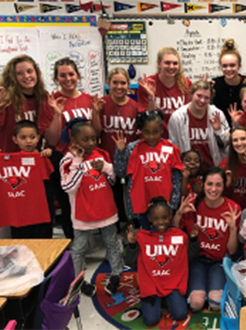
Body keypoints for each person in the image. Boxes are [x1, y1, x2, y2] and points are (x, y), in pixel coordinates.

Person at [60, 119, 123, 296]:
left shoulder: (101, 154)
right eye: (85, 139)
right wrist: (78, 163)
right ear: (74, 141)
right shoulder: (67, 160)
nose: (90, 143)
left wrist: (106, 167)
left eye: (93, 139)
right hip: (83, 215)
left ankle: (116, 274)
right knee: (78, 249)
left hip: (106, 211)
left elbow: (112, 180)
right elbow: (68, 187)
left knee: (112, 243)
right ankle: (78, 280)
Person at [173, 167, 241, 312]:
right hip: (197, 260)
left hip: (219, 261)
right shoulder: (192, 204)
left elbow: (232, 250)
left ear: (224, 186)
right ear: (203, 185)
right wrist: (179, 213)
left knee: (216, 303)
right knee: (196, 303)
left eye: (218, 185)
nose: (213, 189)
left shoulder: (233, 208)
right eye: (209, 184)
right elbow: (173, 235)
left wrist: (233, 228)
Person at [125, 196, 200, 326]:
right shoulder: (142, 237)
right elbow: (131, 263)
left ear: (170, 215)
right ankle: (159, 299)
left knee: (180, 314)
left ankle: (167, 298)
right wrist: (132, 246)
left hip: (173, 283)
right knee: (150, 320)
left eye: (164, 217)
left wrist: (193, 241)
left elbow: (188, 259)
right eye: (156, 218)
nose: (161, 222)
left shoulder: (179, 235)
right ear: (149, 219)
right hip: (151, 285)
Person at [47, 57, 94, 239]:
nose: (68, 79)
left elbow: (95, 131)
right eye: (62, 75)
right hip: (63, 158)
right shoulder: (52, 101)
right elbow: (52, 139)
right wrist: (57, 114)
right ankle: (72, 244)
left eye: (71, 74)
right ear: (56, 78)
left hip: (86, 157)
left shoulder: (88, 99)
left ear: (78, 75)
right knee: (67, 204)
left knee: (86, 200)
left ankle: (87, 242)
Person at [114, 111, 183, 229]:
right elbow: (121, 172)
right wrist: (121, 152)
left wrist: (173, 203)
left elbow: (177, 177)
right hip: (142, 201)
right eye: (147, 132)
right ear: (141, 131)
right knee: (146, 234)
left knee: (164, 234)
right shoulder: (133, 148)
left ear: (162, 130)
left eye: (155, 132)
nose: (151, 136)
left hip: (165, 201)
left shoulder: (171, 146)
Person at [92, 68, 139, 225]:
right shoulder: (102, 104)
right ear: (108, 84)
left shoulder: (134, 107)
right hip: (108, 159)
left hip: (129, 160)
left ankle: (130, 224)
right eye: (115, 83)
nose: (119, 86)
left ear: (129, 85)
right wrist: (96, 112)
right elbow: (96, 132)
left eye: (123, 83)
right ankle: (116, 226)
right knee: (112, 196)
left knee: (130, 195)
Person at [0, 120, 54, 239]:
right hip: (19, 214)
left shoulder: (42, 158)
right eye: (23, 137)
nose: (28, 141)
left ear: (38, 138)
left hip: (41, 213)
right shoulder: (8, 161)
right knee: (21, 247)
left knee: (44, 246)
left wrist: (48, 156)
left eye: (32, 137)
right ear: (15, 139)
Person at [168, 80, 230, 169]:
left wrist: (218, 131)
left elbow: (225, 145)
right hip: (188, 171)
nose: (202, 100)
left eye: (206, 98)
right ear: (191, 94)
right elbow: (174, 148)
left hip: (212, 170)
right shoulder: (177, 117)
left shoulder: (217, 114)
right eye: (199, 96)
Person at [0, 55, 52, 153]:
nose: (26, 76)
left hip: (33, 158)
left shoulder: (43, 97)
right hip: (8, 159)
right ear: (12, 77)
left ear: (36, 73)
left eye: (29, 71)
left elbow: (48, 135)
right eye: (19, 73)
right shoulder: (5, 98)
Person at [138, 47, 192, 138]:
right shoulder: (148, 83)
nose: (171, 67)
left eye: (175, 63)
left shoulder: (186, 84)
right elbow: (146, 118)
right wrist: (151, 97)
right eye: (167, 63)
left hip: (180, 136)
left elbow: (190, 114)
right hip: (155, 138)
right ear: (159, 64)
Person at [212, 38, 246, 126]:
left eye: (232, 65)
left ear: (239, 66)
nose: (228, 69)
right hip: (220, 131)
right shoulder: (214, 85)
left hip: (244, 132)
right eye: (225, 66)